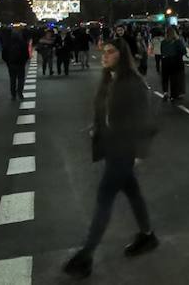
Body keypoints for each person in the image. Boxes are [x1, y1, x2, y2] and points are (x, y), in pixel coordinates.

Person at [63, 38, 160, 279]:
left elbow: (145, 119)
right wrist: (97, 127)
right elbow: (106, 111)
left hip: (123, 151)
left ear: (122, 54)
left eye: (110, 52)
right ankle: (147, 235)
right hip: (112, 146)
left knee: (104, 198)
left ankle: (85, 255)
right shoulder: (110, 79)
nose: (104, 56)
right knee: (132, 192)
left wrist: (139, 152)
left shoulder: (132, 83)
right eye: (103, 51)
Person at [159, 26, 188, 102]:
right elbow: (184, 51)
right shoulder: (177, 41)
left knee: (165, 78)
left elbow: (162, 51)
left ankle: (165, 92)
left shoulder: (163, 42)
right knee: (174, 79)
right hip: (175, 61)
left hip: (165, 61)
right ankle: (173, 95)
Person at [2, 29, 30, 101]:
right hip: (20, 64)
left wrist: (8, 62)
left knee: (12, 79)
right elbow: (27, 55)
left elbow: (4, 55)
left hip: (11, 64)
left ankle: (13, 94)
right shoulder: (23, 43)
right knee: (21, 79)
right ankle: (20, 93)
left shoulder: (7, 43)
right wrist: (24, 61)